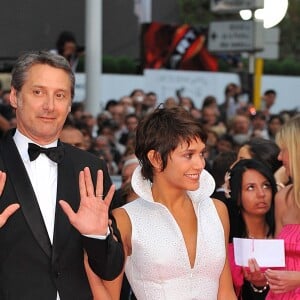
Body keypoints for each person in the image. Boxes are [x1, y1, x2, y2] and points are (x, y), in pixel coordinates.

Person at [0, 50, 124, 300]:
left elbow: (110, 269)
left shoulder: (91, 169)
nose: (49, 105)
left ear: (69, 105)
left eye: (60, 95)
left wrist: (97, 236)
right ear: (14, 96)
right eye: (38, 92)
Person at [86, 105, 237, 299]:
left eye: (201, 153)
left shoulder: (217, 210)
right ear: (156, 159)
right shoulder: (125, 219)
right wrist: (89, 249)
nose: (200, 164)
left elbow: (226, 292)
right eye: (188, 155)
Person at [223, 159, 277, 299]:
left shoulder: (283, 234)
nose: (261, 194)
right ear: (237, 195)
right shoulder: (227, 239)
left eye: (266, 186)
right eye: (251, 187)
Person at [265, 114, 300, 299]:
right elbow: (275, 260)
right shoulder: (283, 198)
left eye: (284, 150)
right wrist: (259, 275)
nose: (279, 157)